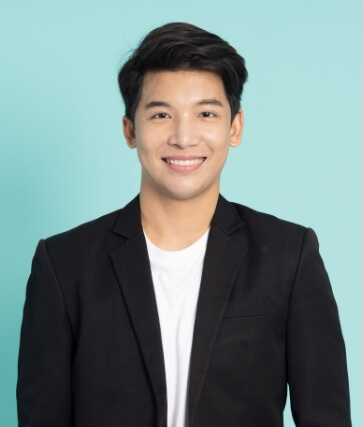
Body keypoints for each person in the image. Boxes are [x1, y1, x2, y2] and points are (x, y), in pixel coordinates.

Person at [17, 22, 351, 427]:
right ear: (129, 130)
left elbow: (327, 417)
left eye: (206, 113)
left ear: (235, 127)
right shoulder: (64, 265)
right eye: (161, 114)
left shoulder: (289, 257)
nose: (184, 136)